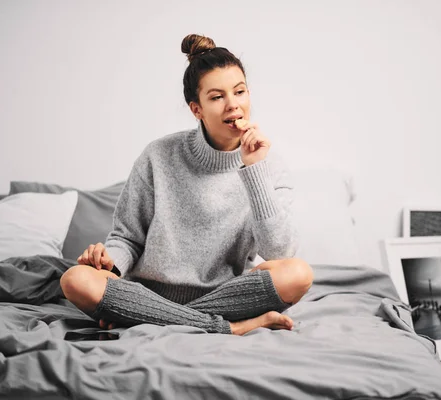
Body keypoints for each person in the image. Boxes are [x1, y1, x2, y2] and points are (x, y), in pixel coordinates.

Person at [60, 34, 313, 336]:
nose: (233, 105)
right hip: (150, 293)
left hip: (226, 297)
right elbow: (127, 238)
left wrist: (254, 168)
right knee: (75, 280)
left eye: (240, 92)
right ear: (197, 109)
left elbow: (279, 252)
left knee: (298, 273)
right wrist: (108, 263)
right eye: (217, 97)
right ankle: (227, 328)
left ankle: (151, 318)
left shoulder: (269, 165)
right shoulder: (159, 155)